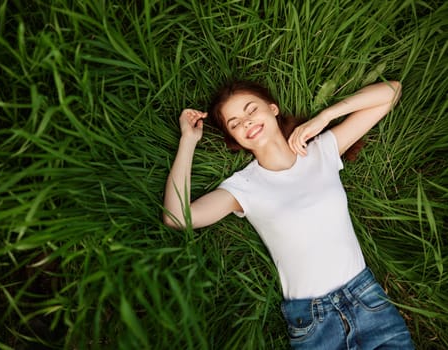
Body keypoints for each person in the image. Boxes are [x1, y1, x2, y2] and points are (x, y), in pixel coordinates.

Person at [163, 79, 415, 349]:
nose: (246, 122)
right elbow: (177, 217)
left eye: (251, 110)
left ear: (273, 108)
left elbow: (392, 91)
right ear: (233, 139)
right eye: (234, 123)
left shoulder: (322, 150)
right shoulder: (242, 188)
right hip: (314, 323)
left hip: (368, 302)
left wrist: (325, 117)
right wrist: (188, 141)